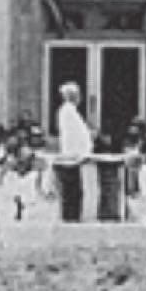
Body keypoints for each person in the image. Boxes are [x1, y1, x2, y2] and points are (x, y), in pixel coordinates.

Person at [52, 82, 93, 223]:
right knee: (72, 192)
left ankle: (73, 217)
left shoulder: (71, 111)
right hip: (71, 158)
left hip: (75, 159)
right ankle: (71, 218)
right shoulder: (67, 111)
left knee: (76, 191)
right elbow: (73, 135)